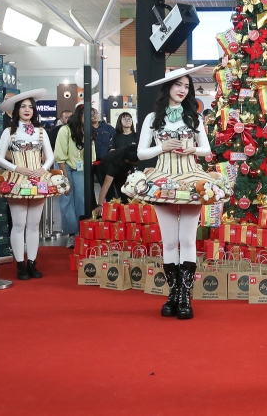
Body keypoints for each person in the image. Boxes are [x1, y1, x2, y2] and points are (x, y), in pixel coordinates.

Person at [132, 68, 225, 321]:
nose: (183, 90)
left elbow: (206, 150)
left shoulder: (194, 117)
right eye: (178, 85)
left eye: (186, 86)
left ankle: (185, 295)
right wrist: (162, 146)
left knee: (187, 240)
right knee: (170, 241)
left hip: (191, 179)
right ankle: (172, 294)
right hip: (162, 180)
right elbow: (141, 153)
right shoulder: (153, 118)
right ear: (168, 88)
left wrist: (193, 147)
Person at [0, 90, 54, 280]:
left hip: (38, 180)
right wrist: (17, 168)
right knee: (19, 224)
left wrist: (43, 169)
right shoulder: (9, 132)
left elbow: (51, 156)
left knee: (34, 225)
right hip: (17, 180)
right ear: (16, 110)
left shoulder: (41, 131)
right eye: (23, 106)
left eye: (30, 106)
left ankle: (32, 263)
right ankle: (20, 264)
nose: (27, 110)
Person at [54, 103, 95, 248]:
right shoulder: (65, 130)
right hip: (64, 166)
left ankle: (81, 232)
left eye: (91, 115)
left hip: (80, 168)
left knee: (81, 200)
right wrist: (65, 178)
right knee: (66, 199)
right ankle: (71, 234)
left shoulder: (88, 131)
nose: (89, 118)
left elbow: (91, 156)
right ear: (79, 115)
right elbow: (59, 157)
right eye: (86, 115)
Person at [96, 145, 140, 210]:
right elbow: (106, 186)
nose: (138, 162)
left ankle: (126, 213)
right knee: (111, 197)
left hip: (121, 172)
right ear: (127, 161)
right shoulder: (115, 162)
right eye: (136, 162)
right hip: (104, 171)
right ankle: (112, 214)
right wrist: (99, 205)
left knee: (125, 193)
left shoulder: (133, 151)